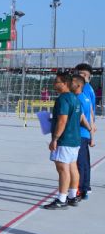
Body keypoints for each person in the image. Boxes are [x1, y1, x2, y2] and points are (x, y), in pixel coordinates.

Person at [44, 72, 84, 210]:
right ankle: (72, 196)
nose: (54, 84)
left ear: (65, 83)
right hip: (75, 139)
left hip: (64, 139)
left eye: (57, 82)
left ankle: (62, 199)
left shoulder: (63, 99)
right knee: (73, 167)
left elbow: (62, 120)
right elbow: (77, 118)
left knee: (62, 169)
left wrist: (55, 138)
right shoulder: (75, 98)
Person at [71, 74, 95, 200]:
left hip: (79, 134)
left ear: (79, 85)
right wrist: (91, 134)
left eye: (72, 82)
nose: (70, 83)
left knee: (79, 164)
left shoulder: (78, 99)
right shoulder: (86, 98)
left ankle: (79, 190)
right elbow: (90, 115)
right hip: (85, 135)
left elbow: (81, 118)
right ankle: (85, 188)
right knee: (84, 163)